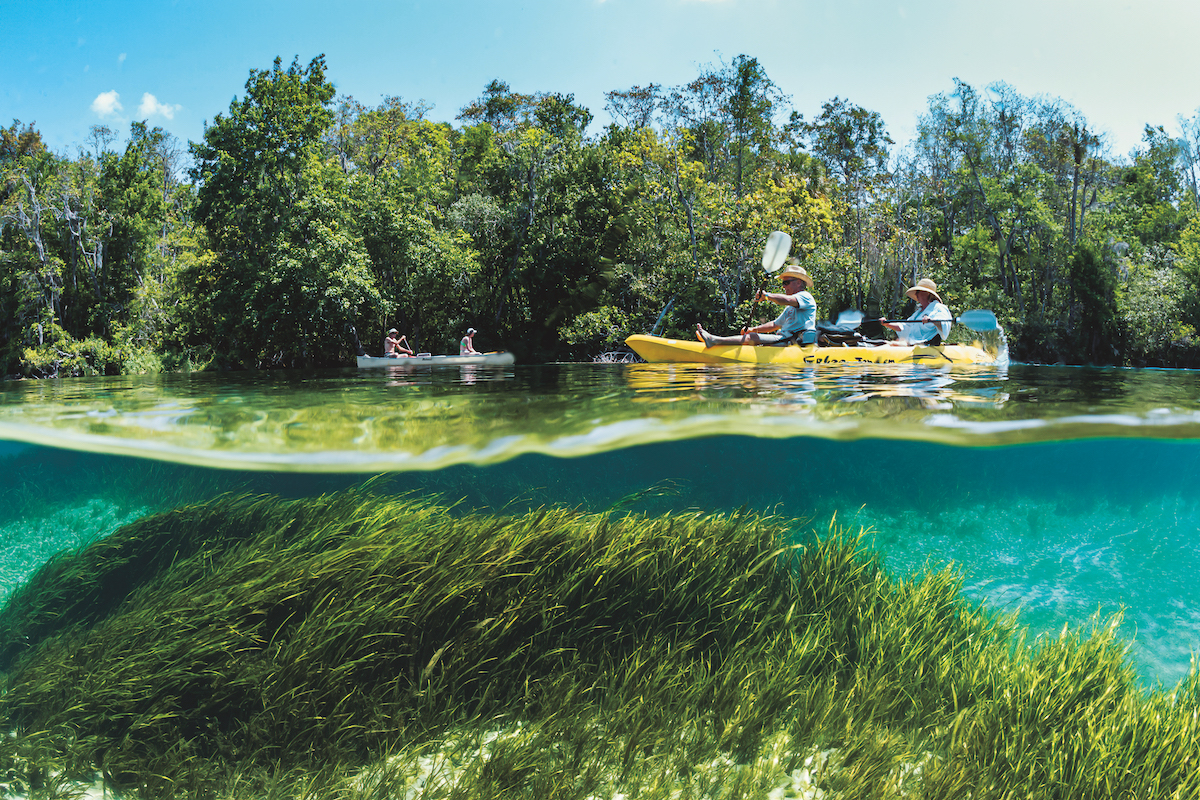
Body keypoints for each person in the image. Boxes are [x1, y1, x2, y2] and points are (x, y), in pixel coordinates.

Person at [695, 263, 818, 347]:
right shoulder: (790, 307)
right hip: (786, 341)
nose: (783, 286)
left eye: (786, 282)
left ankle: (714, 340)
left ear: (798, 283)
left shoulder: (805, 297)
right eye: (783, 283)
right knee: (752, 334)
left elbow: (785, 300)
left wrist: (767, 296)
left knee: (752, 337)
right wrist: (753, 329)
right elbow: (774, 325)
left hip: (795, 342)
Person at [881, 278, 952, 346]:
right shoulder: (918, 312)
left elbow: (944, 324)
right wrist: (887, 324)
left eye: (918, 292)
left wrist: (931, 320)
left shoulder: (939, 308)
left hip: (927, 347)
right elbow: (905, 327)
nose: (916, 295)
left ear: (927, 293)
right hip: (913, 346)